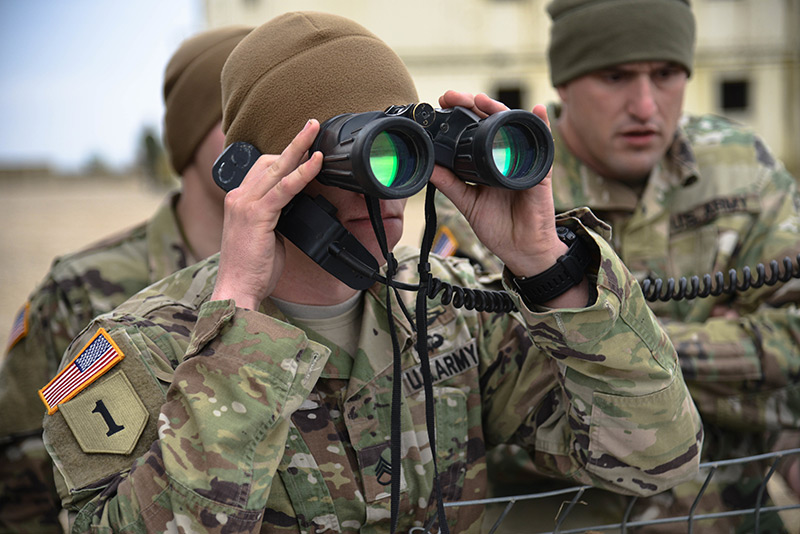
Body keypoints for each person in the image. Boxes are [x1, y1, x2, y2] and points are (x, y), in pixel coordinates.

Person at [38, 11, 703, 533]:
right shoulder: (140, 352)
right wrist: (236, 320)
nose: (385, 197)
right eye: (359, 161)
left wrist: (546, 266)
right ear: (263, 177)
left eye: (403, 156)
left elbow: (656, 457)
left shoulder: (455, 312)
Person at [433, 0, 800, 531]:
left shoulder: (741, 167)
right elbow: (488, 377)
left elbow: (792, 353)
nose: (646, 105)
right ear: (563, 83)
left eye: (667, 74)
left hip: (731, 515)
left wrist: (594, 347)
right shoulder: (497, 187)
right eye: (615, 76)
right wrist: (723, 353)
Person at [0, 26, 252, 532]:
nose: (261, 129)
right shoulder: (81, 290)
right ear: (188, 133)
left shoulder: (313, 276)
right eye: (236, 112)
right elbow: (22, 482)